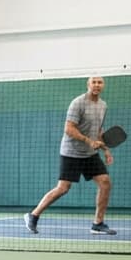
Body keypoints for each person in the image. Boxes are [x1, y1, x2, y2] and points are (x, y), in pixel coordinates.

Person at [24, 76, 117, 236]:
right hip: (71, 152)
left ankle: (98, 224)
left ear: (103, 85)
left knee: (105, 182)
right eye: (93, 82)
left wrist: (106, 149)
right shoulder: (78, 103)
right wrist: (88, 141)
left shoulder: (103, 105)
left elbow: (99, 130)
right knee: (63, 188)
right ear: (88, 84)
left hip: (90, 154)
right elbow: (69, 129)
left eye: (99, 82)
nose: (97, 85)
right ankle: (33, 215)